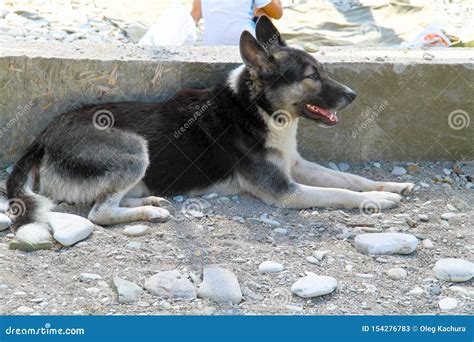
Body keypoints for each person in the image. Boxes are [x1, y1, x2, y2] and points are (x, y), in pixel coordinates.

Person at [191, 0, 283, 46]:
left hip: (211, 45)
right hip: (244, 47)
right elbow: (278, 14)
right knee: (263, 12)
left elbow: (195, 15)